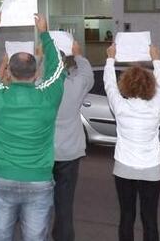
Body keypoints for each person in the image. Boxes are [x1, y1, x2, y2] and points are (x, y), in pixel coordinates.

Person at [0, 12, 66, 241]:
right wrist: (45, 33)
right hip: (39, 181)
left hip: (2, 179)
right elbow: (58, 68)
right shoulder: (48, 99)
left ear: (9, 72)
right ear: (36, 74)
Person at [105, 43, 160, 241]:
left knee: (127, 216)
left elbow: (109, 85)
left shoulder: (121, 107)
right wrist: (156, 59)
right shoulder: (157, 105)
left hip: (124, 169)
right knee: (150, 219)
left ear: (126, 84)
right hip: (151, 169)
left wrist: (110, 59)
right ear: (151, 85)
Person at [53, 41, 94, 241]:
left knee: (40, 200)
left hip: (44, 152)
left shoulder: (39, 86)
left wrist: (40, 56)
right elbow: (88, 75)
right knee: (65, 201)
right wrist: (78, 54)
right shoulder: (75, 85)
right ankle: (62, 236)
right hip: (69, 152)